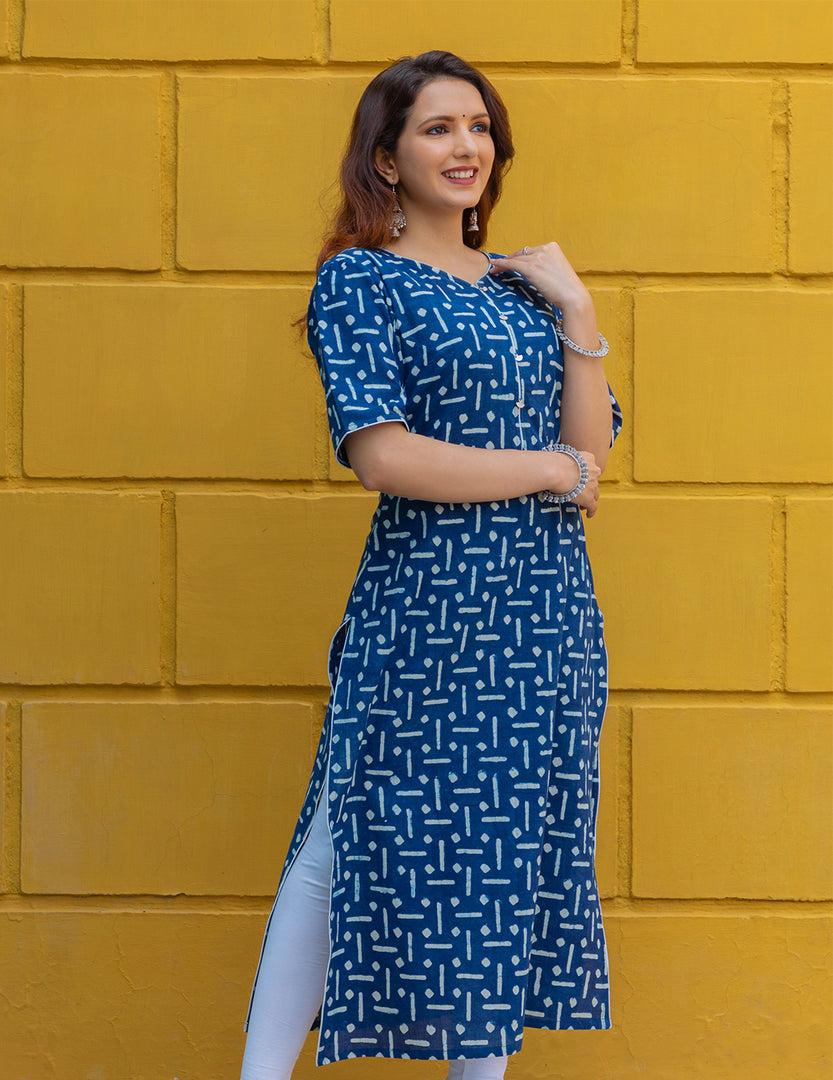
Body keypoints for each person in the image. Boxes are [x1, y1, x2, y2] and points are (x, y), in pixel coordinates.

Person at [240, 50, 622, 1080]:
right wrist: (548, 466)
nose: (465, 148)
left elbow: (594, 453)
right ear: (385, 156)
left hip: (542, 621)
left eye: (478, 129)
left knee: (497, 861)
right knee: (346, 836)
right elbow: (384, 453)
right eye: (437, 128)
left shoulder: (524, 291)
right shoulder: (361, 281)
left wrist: (578, 317)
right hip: (426, 612)